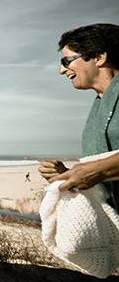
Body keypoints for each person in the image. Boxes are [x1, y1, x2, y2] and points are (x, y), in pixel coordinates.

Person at [38, 24, 119, 210]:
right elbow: (100, 176)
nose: (61, 70)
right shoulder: (99, 105)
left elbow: (101, 169)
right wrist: (68, 174)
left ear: (99, 57)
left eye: (67, 61)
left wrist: (101, 169)